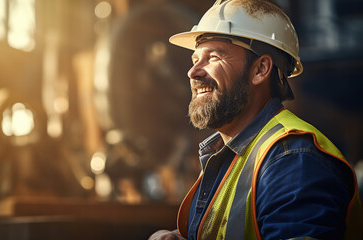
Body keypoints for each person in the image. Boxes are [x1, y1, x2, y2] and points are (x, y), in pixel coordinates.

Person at [148, 0, 363, 239]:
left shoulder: (292, 159)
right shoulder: (232, 156)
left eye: (214, 57)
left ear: (260, 69)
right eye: (195, 59)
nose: (194, 72)